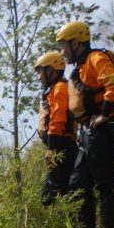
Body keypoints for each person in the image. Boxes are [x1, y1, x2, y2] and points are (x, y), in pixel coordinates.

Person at [57, 20, 114, 228]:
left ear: (76, 43)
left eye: (64, 46)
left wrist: (105, 113)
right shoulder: (80, 68)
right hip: (86, 134)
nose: (62, 52)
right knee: (78, 184)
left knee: (105, 182)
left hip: (100, 130)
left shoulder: (95, 58)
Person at [34, 51, 78, 207]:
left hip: (62, 146)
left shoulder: (60, 87)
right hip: (60, 145)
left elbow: (58, 119)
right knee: (57, 192)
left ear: (51, 69)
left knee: (56, 193)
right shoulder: (54, 89)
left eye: (40, 71)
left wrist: (52, 149)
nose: (39, 76)